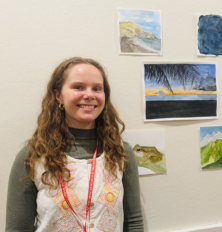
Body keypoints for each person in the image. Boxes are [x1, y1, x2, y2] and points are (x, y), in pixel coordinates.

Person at [6, 57, 144, 232]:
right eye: (78, 87)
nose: (89, 94)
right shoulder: (32, 157)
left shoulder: (121, 153)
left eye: (97, 88)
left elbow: (133, 222)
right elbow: (17, 228)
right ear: (58, 96)